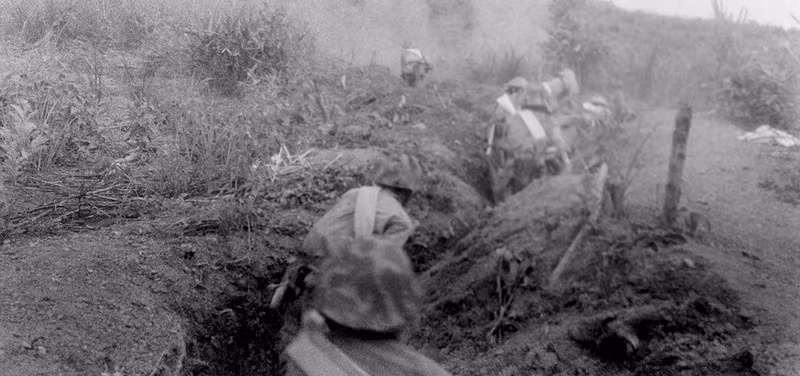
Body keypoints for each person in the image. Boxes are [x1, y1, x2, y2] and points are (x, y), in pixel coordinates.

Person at [271, 154, 449, 375]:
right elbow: (377, 267)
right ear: (407, 192)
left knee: (296, 349)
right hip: (335, 289)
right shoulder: (399, 219)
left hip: (301, 276)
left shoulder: (354, 194)